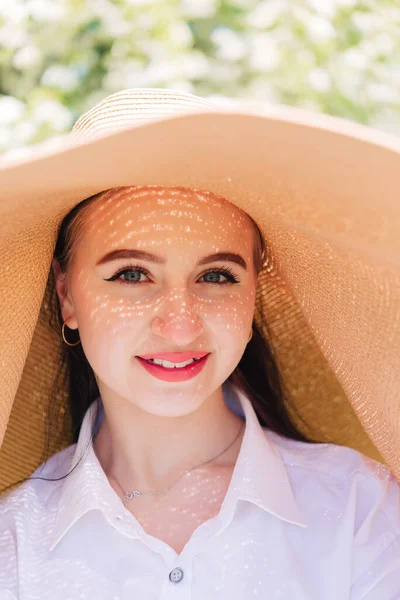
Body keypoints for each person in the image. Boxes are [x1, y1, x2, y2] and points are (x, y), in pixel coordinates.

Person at [0, 88, 399, 598]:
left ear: (254, 295)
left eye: (216, 276)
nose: (180, 325)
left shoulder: (360, 513)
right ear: (67, 296)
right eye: (131, 274)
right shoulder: (15, 544)